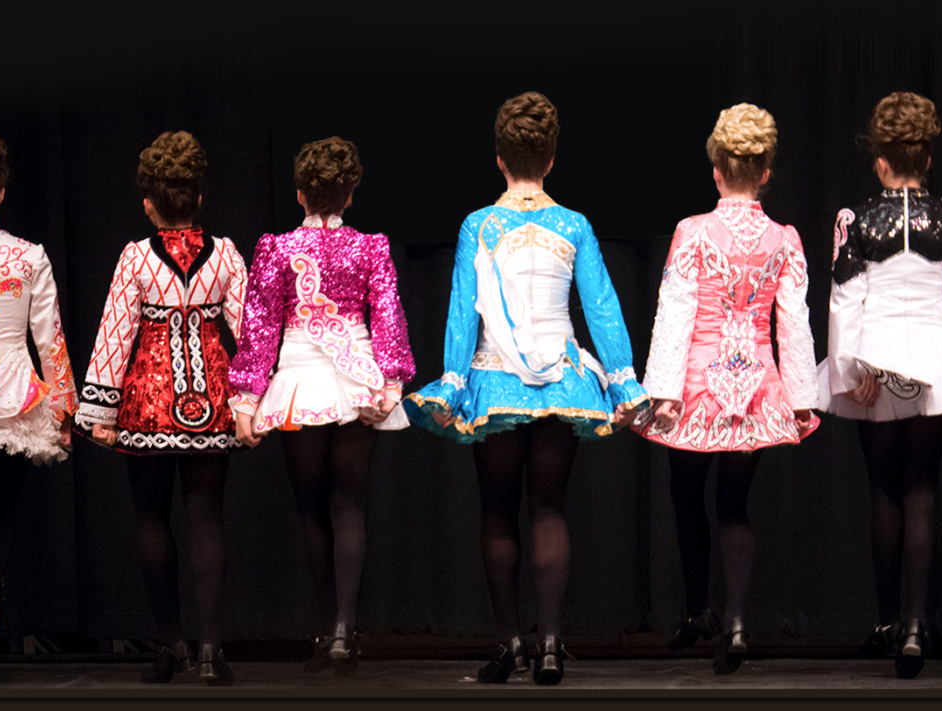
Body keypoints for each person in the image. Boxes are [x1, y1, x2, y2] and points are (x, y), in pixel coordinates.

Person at [403, 91, 648, 685]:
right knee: (548, 507)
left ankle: (510, 641)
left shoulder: (478, 225)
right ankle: (551, 645)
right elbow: (603, 308)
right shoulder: (575, 225)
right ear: (552, 158)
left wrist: (454, 382)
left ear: (499, 159)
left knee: (497, 511)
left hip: (494, 378)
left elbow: (463, 311)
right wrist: (624, 383)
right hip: (564, 383)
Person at [632, 103, 819, 674]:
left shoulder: (692, 232)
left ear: (717, 169)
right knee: (734, 505)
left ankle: (699, 611)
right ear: (765, 172)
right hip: (756, 384)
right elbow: (793, 322)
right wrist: (801, 396)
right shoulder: (785, 239)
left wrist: (661, 391)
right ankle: (732, 622)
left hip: (697, 385)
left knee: (686, 494)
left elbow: (675, 314)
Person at [819, 91, 942, 679]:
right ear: (927, 155)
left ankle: (889, 622)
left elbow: (846, 303)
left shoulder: (858, 219)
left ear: (880, 158)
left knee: (883, 491)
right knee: (921, 488)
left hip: (876, 362)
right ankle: (915, 627)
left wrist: (848, 371)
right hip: (935, 360)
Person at [228, 137, 415, 677]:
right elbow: (388, 318)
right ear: (350, 196)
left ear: (299, 194)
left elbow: (260, 328)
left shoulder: (276, 248)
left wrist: (245, 398)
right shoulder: (371, 246)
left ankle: (324, 627)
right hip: (358, 380)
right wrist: (392, 384)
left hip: (300, 382)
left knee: (310, 508)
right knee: (349, 505)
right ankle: (343, 631)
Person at [76, 131, 247, 685]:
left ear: (148, 204)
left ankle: (171, 643)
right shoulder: (224, 254)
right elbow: (250, 333)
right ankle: (210, 651)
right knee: (206, 518)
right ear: (198, 199)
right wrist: (255, 401)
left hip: (147, 402)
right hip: (212, 397)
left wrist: (97, 413)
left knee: (151, 516)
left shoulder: (135, 257)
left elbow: (114, 332)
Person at [0, 126, 76, 683]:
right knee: (2, 508)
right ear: (3, 192)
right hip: (12, 392)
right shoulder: (28, 255)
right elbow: (50, 338)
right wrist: (62, 410)